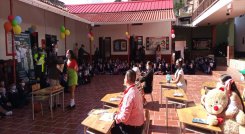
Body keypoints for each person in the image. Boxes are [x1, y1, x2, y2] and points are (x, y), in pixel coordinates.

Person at [111, 70, 144, 134]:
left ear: (126, 79)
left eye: (124, 77)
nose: (123, 79)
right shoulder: (136, 89)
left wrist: (115, 116)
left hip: (133, 130)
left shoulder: (129, 95)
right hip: (139, 125)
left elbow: (124, 117)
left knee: (112, 129)